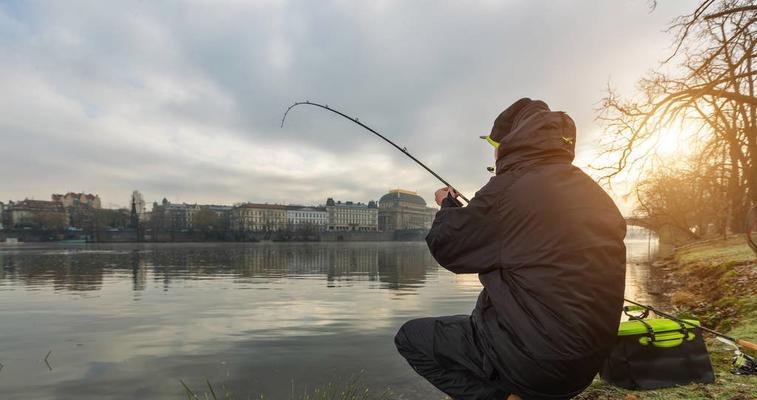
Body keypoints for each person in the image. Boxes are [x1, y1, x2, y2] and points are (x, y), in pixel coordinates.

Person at [394, 98, 627, 400]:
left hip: (538, 365)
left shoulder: (508, 189)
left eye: (495, 146)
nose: (494, 153)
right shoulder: (593, 192)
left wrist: (447, 206)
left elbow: (447, 247)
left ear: (510, 141)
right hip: (587, 364)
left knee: (412, 339)